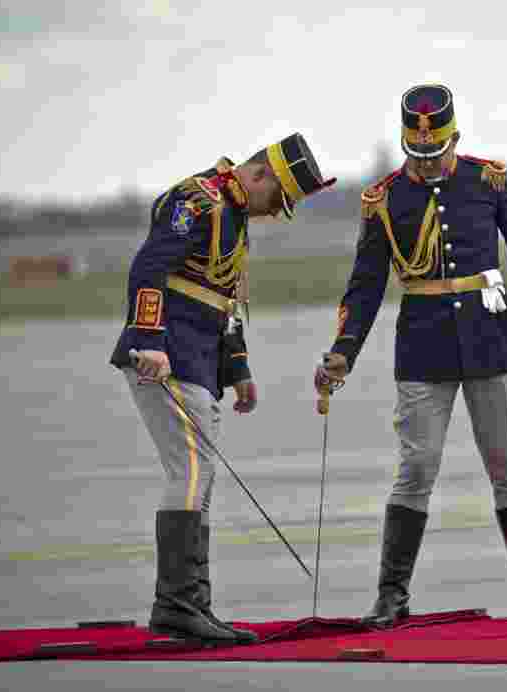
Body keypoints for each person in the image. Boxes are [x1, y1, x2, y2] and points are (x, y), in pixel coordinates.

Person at [314, 84, 507, 627]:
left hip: (490, 340)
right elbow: (364, 285)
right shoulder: (384, 200)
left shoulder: (488, 181)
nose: (428, 164)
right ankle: (391, 595)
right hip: (424, 345)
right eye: (418, 155)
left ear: (454, 138)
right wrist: (344, 351)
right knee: (416, 469)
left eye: (436, 152)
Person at [110, 134, 335, 641]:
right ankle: (176, 604)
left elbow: (223, 296)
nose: (277, 212)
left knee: (199, 478)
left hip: (198, 361)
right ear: (262, 175)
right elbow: (150, 267)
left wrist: (238, 370)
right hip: (165, 356)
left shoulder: (234, 215)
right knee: (189, 472)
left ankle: (192, 605)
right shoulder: (197, 201)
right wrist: (148, 339)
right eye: (279, 200)